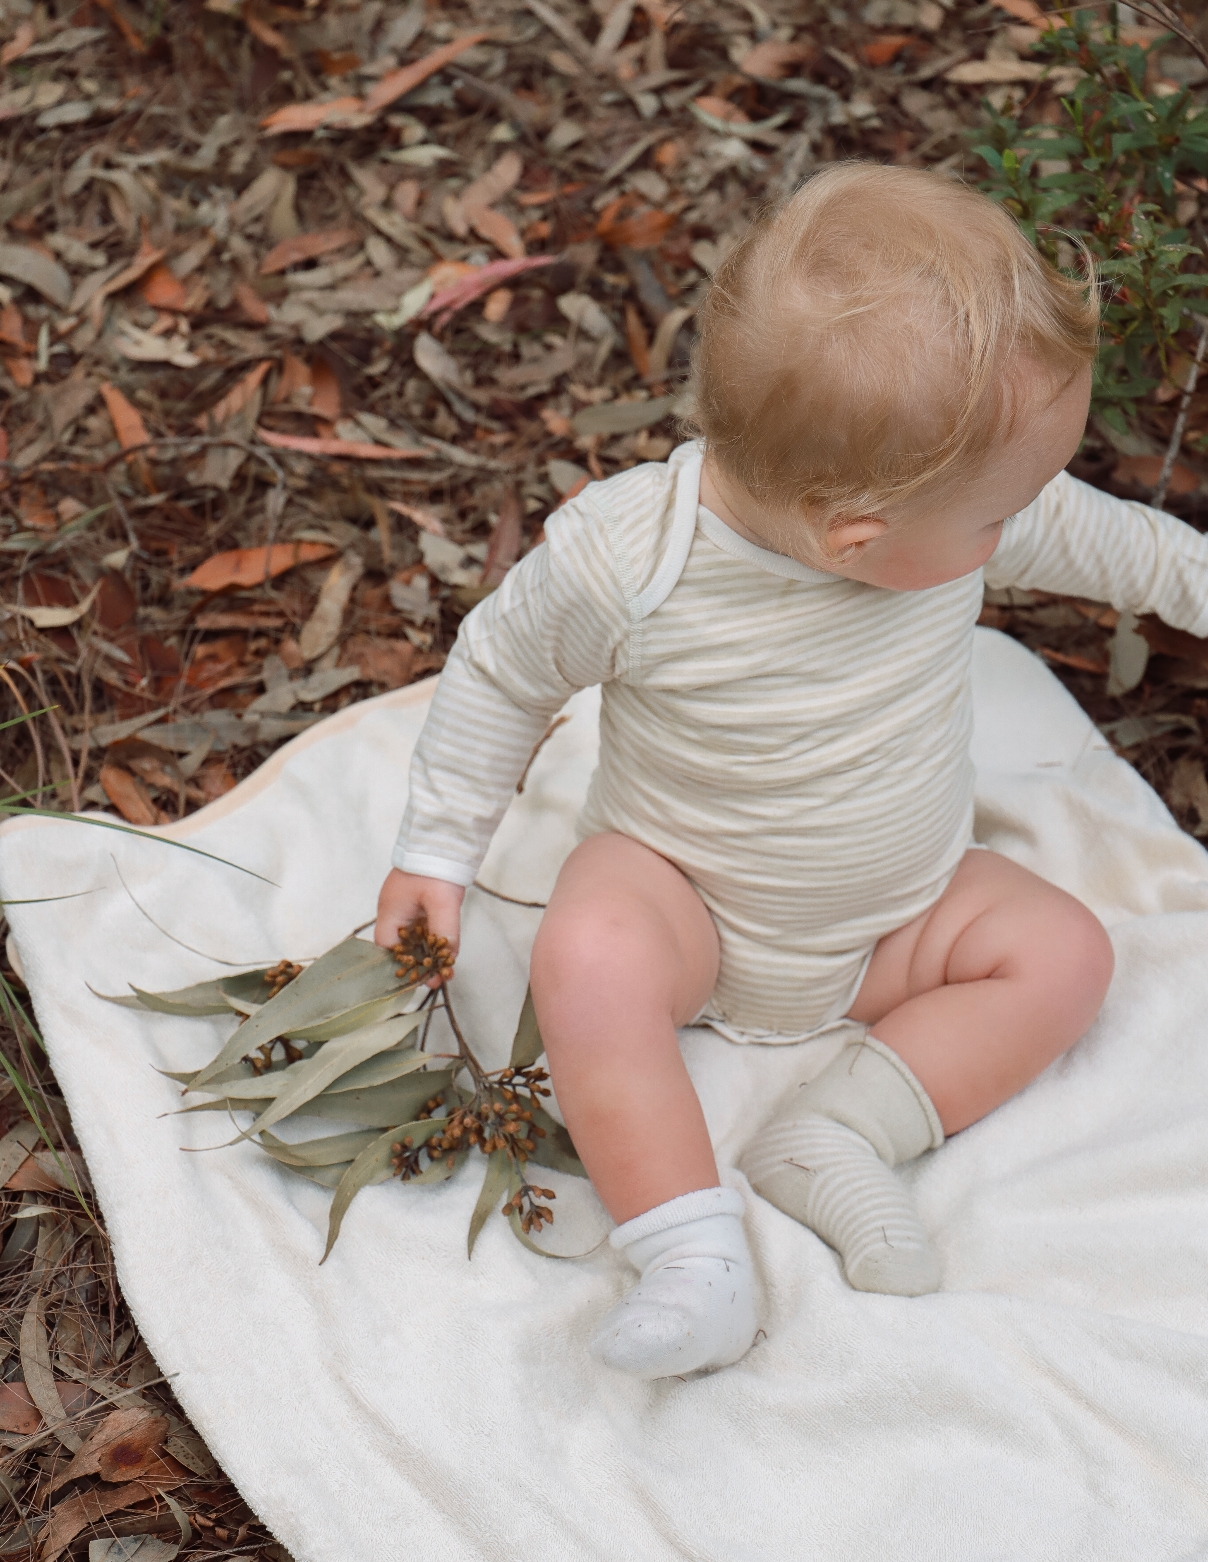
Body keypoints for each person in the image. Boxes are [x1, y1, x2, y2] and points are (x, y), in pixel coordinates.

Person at [374, 162, 1208, 1381]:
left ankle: (836, 1133)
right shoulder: (633, 562)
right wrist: (437, 850)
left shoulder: (948, 505)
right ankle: (685, 1246)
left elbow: (1117, 543)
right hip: (689, 905)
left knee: (1066, 952)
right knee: (586, 947)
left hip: (899, 914)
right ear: (851, 537)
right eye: (996, 517)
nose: (1020, 525)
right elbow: (502, 671)